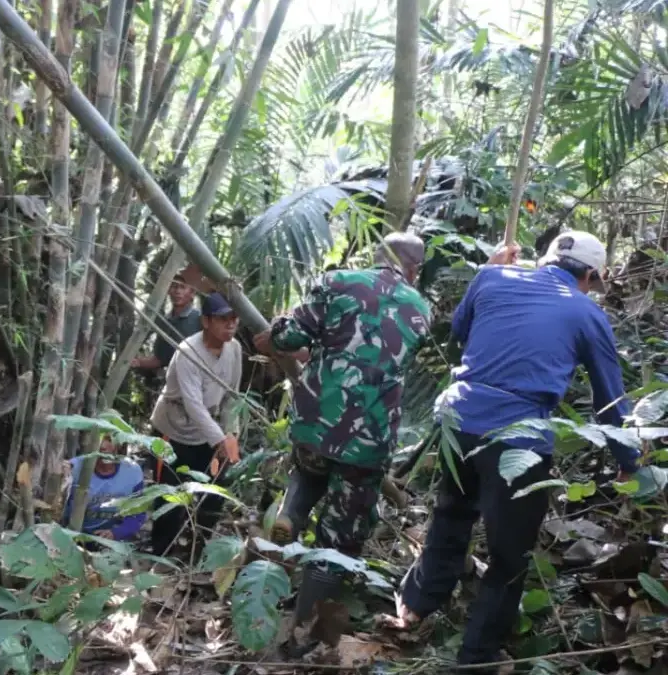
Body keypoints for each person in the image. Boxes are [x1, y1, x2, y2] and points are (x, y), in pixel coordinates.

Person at [394, 231, 641, 672]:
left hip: (458, 420)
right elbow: (610, 399)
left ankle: (414, 605)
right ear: (589, 275)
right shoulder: (585, 311)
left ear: (545, 261)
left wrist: (490, 268)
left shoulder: (491, 279)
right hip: (517, 437)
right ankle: (475, 659)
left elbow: (461, 331)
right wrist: (629, 464)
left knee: (452, 514)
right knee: (509, 557)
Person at [251, 232, 431, 629]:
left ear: (377, 255)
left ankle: (292, 513)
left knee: (310, 468)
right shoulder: (421, 309)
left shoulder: (337, 282)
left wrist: (279, 333)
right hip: (369, 440)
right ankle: (302, 631)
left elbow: (289, 337)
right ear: (413, 269)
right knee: (338, 540)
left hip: (316, 423)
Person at [149, 292, 243, 557]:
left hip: (210, 432)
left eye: (234, 318)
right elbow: (193, 404)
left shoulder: (235, 349)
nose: (230, 325)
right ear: (206, 321)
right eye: (223, 319)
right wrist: (221, 440)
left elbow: (231, 395)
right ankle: (161, 555)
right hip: (174, 430)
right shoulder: (188, 353)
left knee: (214, 493)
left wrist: (231, 434)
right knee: (170, 496)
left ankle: (197, 550)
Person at [61, 436, 147, 541]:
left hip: (114, 538)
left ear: (119, 444)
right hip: (74, 534)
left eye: (109, 440)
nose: (103, 446)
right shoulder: (75, 467)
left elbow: (138, 513)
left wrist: (117, 533)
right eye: (100, 439)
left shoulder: (132, 471)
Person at [131, 273, 202, 372]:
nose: (177, 291)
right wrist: (138, 362)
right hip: (174, 378)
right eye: (174, 286)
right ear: (168, 290)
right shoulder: (165, 322)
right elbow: (160, 359)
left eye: (182, 287)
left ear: (192, 293)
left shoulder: (200, 319)